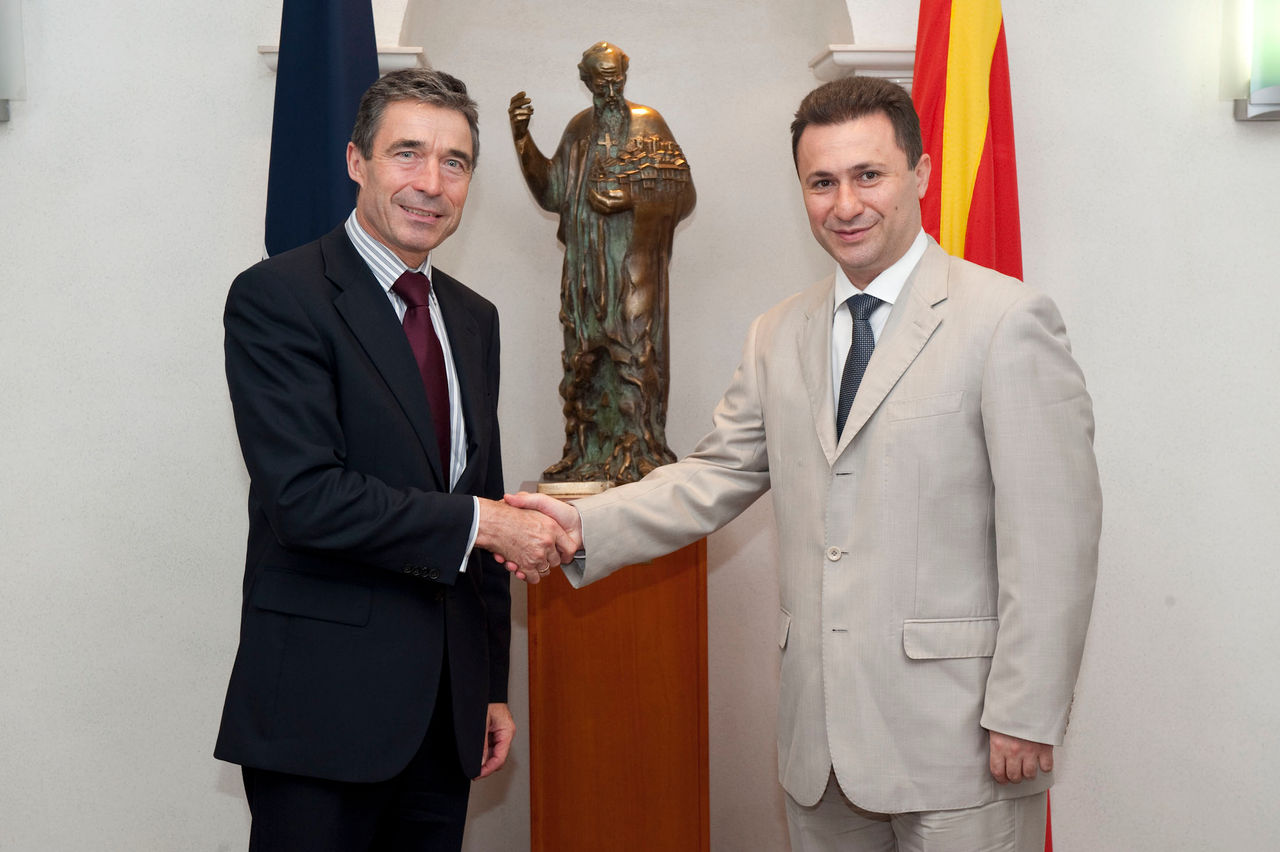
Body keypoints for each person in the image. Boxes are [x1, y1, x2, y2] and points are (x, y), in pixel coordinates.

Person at [506, 75, 1101, 851]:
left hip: (962, 746)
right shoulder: (776, 334)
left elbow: (1054, 539)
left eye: (868, 176)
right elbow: (713, 476)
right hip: (816, 749)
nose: (844, 204)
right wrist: (582, 522)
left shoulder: (1006, 321)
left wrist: (1025, 713)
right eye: (822, 182)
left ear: (919, 175)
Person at [214, 67, 573, 852]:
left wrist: (489, 689)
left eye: (455, 162)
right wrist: (484, 523)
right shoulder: (280, 297)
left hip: (443, 721)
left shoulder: (474, 319)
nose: (431, 183)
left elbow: (478, 502)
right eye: (407, 153)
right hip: (320, 716)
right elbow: (306, 498)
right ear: (356, 162)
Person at [508, 41, 696, 484]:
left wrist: (629, 198)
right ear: (586, 81)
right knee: (584, 360)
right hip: (587, 270)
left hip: (633, 269)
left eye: (616, 79)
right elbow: (553, 192)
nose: (610, 89)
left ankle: (641, 455)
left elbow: (684, 195)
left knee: (635, 357)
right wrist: (522, 140)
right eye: (600, 81)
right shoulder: (579, 129)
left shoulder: (650, 123)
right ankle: (586, 455)